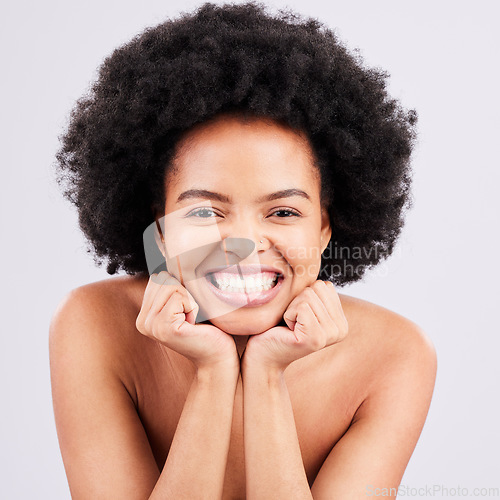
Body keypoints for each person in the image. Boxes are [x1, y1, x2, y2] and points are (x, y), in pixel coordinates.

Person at [49, 2, 437, 498]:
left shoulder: (396, 356)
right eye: (206, 212)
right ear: (159, 228)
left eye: (283, 212)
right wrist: (213, 374)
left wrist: (267, 376)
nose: (245, 245)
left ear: (325, 228)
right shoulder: (92, 325)